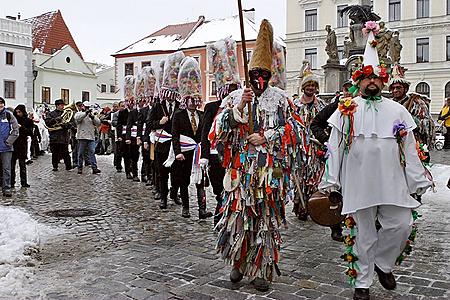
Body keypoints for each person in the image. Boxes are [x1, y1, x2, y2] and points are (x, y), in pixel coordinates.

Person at [319, 24, 432, 300]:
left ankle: (383, 264)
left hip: (392, 182)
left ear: (382, 81)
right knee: (363, 235)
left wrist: (417, 179)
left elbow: (409, 148)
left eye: (376, 79)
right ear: (359, 81)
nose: (371, 83)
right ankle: (362, 283)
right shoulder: (346, 110)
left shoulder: (398, 110)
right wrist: (332, 182)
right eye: (366, 78)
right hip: (358, 183)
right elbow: (334, 148)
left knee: (402, 224)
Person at [212, 19, 289, 292]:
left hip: (271, 167)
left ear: (270, 75)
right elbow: (218, 131)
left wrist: (266, 136)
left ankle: (261, 268)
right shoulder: (235, 96)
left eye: (264, 75)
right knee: (238, 214)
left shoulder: (280, 98)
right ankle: (238, 262)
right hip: (240, 170)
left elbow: (292, 132)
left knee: (266, 219)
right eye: (255, 73)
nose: (260, 80)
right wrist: (238, 110)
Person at [202, 37, 241, 226]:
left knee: (232, 187)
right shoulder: (211, 107)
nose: (231, 93)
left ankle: (225, 216)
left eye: (234, 89)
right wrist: (204, 156)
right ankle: (220, 208)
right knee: (219, 189)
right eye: (229, 89)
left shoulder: (241, 107)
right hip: (214, 155)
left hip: (235, 156)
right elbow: (205, 134)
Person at [310, 80, 353, 241]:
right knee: (336, 191)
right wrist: (327, 140)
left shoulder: (363, 107)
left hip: (356, 156)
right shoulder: (335, 107)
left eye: (352, 90)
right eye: (347, 90)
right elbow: (315, 124)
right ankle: (335, 226)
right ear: (342, 90)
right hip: (337, 156)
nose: (350, 93)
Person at [147, 52, 184, 209]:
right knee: (162, 173)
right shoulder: (157, 106)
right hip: (162, 144)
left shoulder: (180, 106)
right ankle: (163, 198)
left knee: (176, 174)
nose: (170, 98)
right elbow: (149, 123)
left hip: (175, 145)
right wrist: (159, 122)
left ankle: (174, 194)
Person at [291, 62, 327, 221]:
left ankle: (314, 206)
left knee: (315, 177)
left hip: (316, 147)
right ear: (303, 87)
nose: (311, 88)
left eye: (313, 85)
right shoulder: (295, 106)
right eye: (308, 85)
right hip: (300, 147)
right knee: (301, 176)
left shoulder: (321, 105)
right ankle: (300, 206)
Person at [389, 65, 434, 162]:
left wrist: (407, 123)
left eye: (398, 87)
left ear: (405, 89)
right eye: (393, 88)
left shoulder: (416, 102)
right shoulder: (389, 104)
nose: (395, 90)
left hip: (414, 142)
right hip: (394, 143)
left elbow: (426, 123)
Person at [45, 99, 73, 171]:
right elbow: (47, 122)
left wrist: (65, 125)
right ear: (57, 106)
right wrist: (56, 119)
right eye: (61, 105)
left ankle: (68, 166)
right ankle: (55, 166)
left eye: (63, 105)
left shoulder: (66, 113)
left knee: (66, 153)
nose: (63, 106)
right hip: (54, 136)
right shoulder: (51, 114)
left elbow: (72, 124)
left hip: (64, 136)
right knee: (55, 153)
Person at [74, 102, 101, 174]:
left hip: (91, 137)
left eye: (88, 107)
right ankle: (80, 167)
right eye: (86, 107)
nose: (87, 109)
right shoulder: (79, 113)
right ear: (82, 106)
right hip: (82, 136)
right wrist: (85, 113)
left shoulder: (91, 115)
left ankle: (94, 168)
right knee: (80, 153)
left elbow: (98, 123)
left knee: (92, 152)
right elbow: (77, 119)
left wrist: (93, 117)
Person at [0, 97, 19, 197]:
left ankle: (6, 188)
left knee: (6, 169)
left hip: (6, 147)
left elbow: (15, 130)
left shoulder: (8, 115)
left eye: (2, 103)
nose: (0, 105)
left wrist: (9, 142)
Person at [12, 105, 33, 188]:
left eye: (19, 112)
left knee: (22, 165)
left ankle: (24, 182)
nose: (18, 114)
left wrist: (22, 127)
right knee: (12, 165)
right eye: (16, 112)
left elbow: (30, 133)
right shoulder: (13, 120)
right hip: (13, 144)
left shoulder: (28, 121)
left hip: (22, 144)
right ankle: (11, 181)